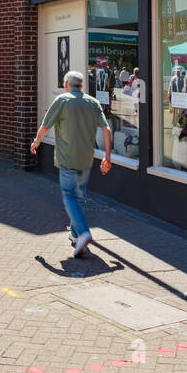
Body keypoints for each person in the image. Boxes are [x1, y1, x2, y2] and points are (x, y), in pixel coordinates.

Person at [29, 70, 112, 258]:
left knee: (69, 197)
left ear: (66, 85)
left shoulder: (62, 100)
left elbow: (45, 126)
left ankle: (83, 232)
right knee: (80, 197)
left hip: (67, 158)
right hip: (86, 159)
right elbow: (106, 129)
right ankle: (76, 236)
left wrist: (36, 141)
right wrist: (107, 157)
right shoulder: (93, 102)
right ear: (81, 86)